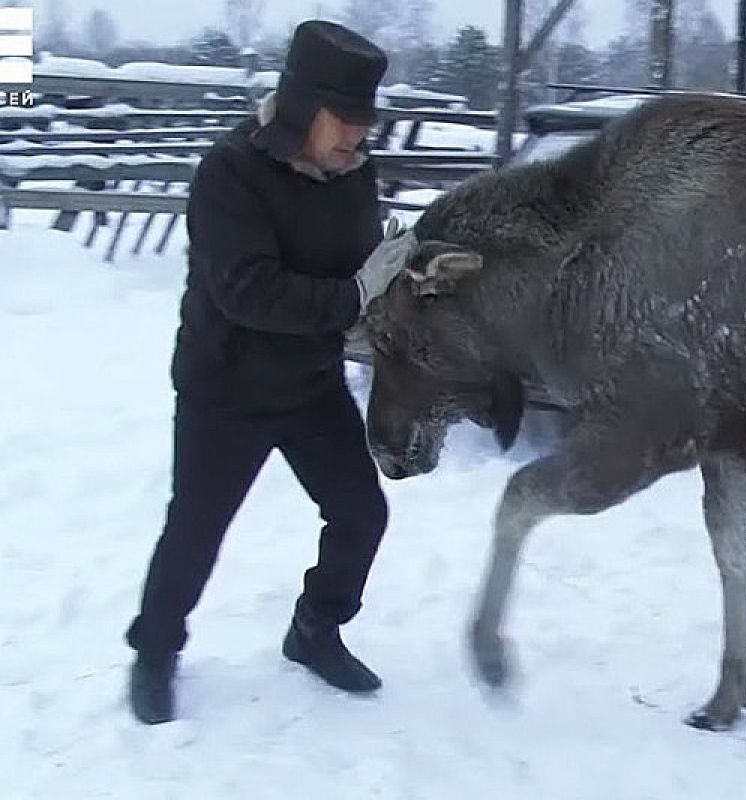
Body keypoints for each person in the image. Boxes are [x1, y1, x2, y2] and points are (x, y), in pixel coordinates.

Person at [124, 20, 416, 725]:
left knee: (360, 512)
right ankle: (156, 651)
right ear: (298, 107)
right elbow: (248, 291)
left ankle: (315, 627)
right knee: (195, 530)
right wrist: (353, 297)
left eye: (365, 122)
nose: (356, 136)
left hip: (311, 381)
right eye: (343, 119)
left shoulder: (356, 172)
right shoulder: (230, 174)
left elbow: (354, 264)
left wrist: (395, 285)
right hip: (225, 387)